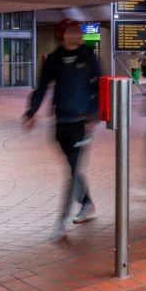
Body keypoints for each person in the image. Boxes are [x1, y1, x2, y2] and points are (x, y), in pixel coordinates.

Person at [24, 19, 100, 235]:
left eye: (78, 31)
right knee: (73, 169)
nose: (76, 34)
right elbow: (42, 89)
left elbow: (99, 88)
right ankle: (86, 202)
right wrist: (32, 112)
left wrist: (93, 116)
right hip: (61, 123)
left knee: (73, 171)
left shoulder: (89, 57)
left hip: (82, 123)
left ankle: (62, 220)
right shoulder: (54, 60)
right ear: (62, 34)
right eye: (71, 31)